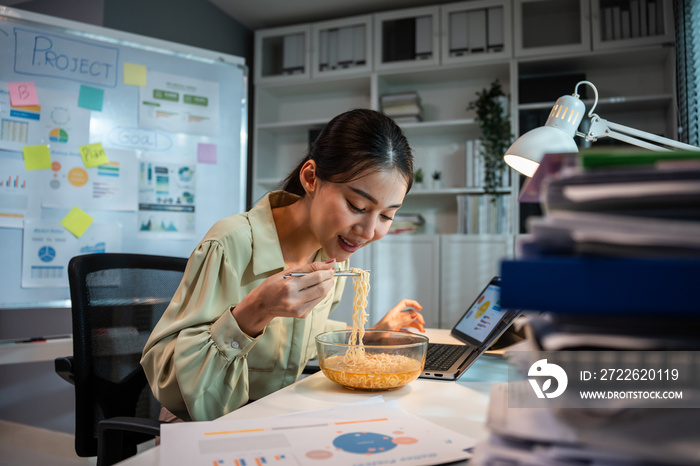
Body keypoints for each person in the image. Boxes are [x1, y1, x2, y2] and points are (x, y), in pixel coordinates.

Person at [141, 109, 425, 422]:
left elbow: (298, 337)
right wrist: (256, 311)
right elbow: (169, 382)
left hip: (273, 416)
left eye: (386, 216)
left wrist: (371, 334)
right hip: (199, 423)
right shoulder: (230, 242)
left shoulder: (331, 252)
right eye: (356, 206)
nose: (369, 232)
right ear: (311, 178)